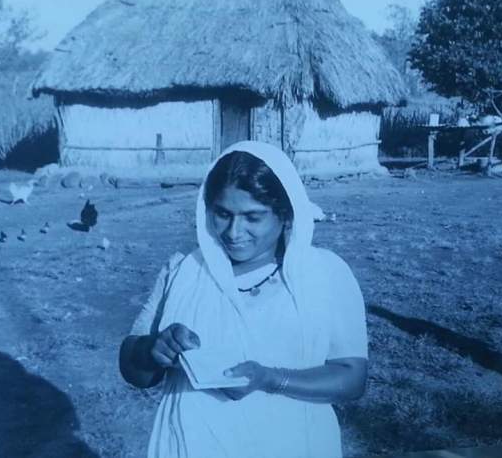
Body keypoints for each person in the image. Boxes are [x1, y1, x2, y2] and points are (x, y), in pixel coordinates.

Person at [119, 140, 368, 458]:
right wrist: (153, 350)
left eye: (253, 217)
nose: (234, 232)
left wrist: (271, 379)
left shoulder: (324, 274)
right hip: (192, 446)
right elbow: (134, 370)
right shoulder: (184, 270)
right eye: (223, 214)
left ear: (285, 215)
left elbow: (351, 376)